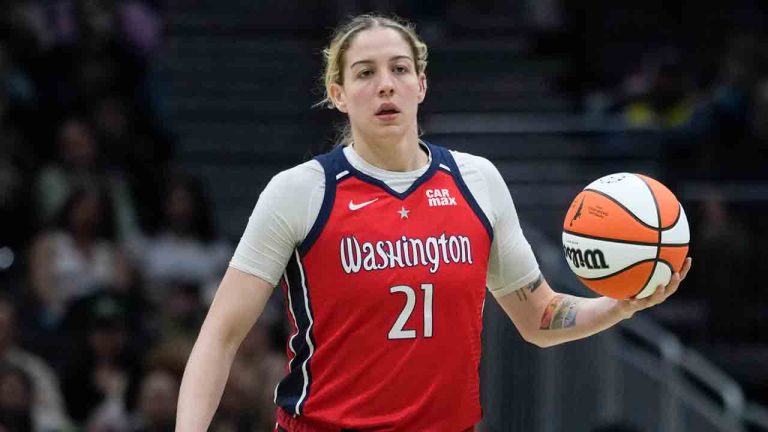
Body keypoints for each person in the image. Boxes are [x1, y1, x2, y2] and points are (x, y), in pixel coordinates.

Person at [176, 14, 693, 431]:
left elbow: (540, 316)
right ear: (337, 93)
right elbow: (220, 336)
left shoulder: (478, 181)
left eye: (400, 69)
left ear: (421, 85)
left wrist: (619, 306)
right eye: (365, 72)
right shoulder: (299, 192)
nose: (386, 86)